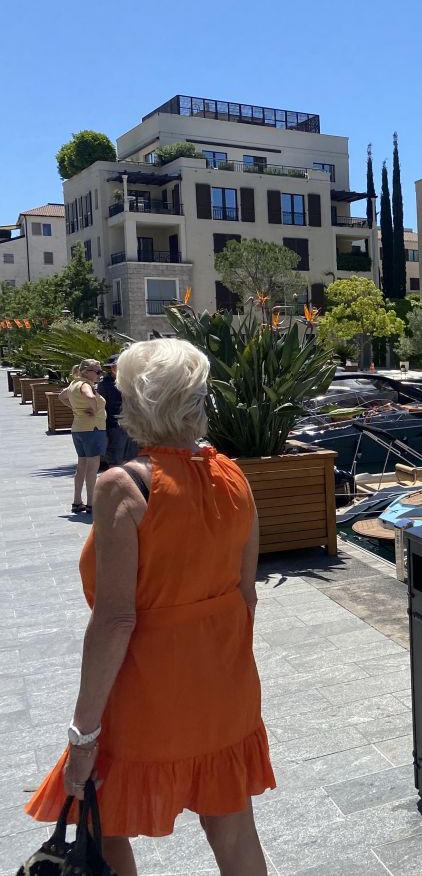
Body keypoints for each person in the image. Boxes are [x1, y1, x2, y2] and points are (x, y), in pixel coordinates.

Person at [25, 338, 274, 876]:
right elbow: (246, 593)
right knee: (233, 830)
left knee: (102, 823)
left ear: (133, 402)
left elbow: (116, 619)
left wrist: (82, 733)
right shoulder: (234, 476)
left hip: (145, 691)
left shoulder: (123, 486)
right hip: (223, 687)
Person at [61, 359, 106, 514]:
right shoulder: (86, 385)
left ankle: (76, 501)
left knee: (81, 466)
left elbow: (61, 396)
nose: (100, 374)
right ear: (87, 372)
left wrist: (75, 409)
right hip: (93, 429)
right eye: (98, 371)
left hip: (79, 429)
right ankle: (91, 503)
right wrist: (94, 410)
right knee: (92, 468)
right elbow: (91, 398)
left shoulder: (74, 384)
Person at [99, 353, 138, 468]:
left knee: (132, 455)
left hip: (131, 422)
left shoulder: (130, 381)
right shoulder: (105, 383)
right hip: (114, 424)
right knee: (116, 457)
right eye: (114, 366)